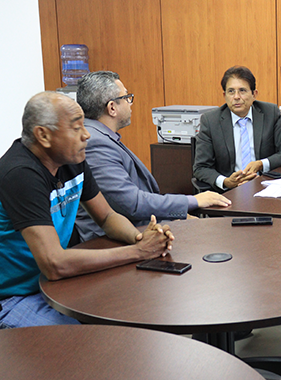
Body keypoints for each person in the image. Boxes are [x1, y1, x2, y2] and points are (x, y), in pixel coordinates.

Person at [0, 92, 174, 328]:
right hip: (15, 295)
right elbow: (54, 264)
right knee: (84, 345)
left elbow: (107, 217)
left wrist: (141, 237)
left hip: (58, 285)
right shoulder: (20, 174)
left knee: (135, 311)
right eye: (76, 127)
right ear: (43, 135)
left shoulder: (72, 159)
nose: (86, 135)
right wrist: (140, 251)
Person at [74, 71, 231, 242]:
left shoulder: (102, 136)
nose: (130, 103)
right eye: (127, 97)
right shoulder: (94, 144)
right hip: (112, 241)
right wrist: (193, 201)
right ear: (112, 108)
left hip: (141, 225)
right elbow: (131, 204)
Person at [193, 66, 281, 192]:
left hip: (265, 188)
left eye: (242, 91)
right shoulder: (210, 121)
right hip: (229, 193)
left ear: (254, 94)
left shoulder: (269, 113)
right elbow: (200, 168)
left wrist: (261, 164)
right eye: (231, 91)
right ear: (225, 95)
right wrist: (225, 181)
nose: (236, 97)